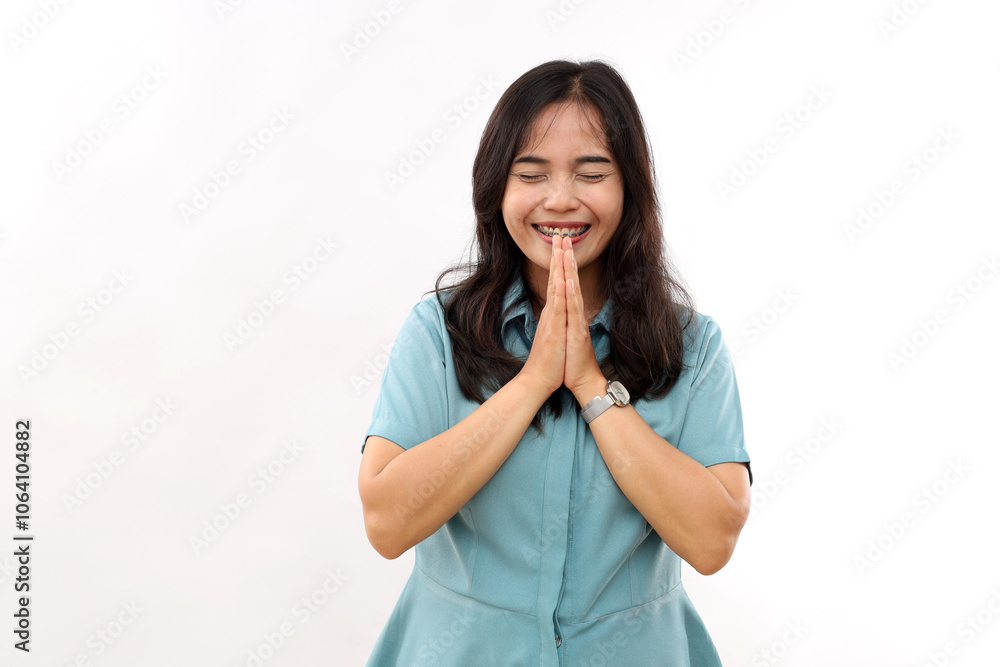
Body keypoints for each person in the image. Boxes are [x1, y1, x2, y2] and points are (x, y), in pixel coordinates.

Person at [358, 59, 752, 666]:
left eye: (592, 173)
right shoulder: (437, 333)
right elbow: (386, 522)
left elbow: (712, 539)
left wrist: (592, 387)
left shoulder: (692, 346)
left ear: (630, 188)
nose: (560, 200)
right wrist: (534, 381)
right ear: (499, 189)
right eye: (532, 174)